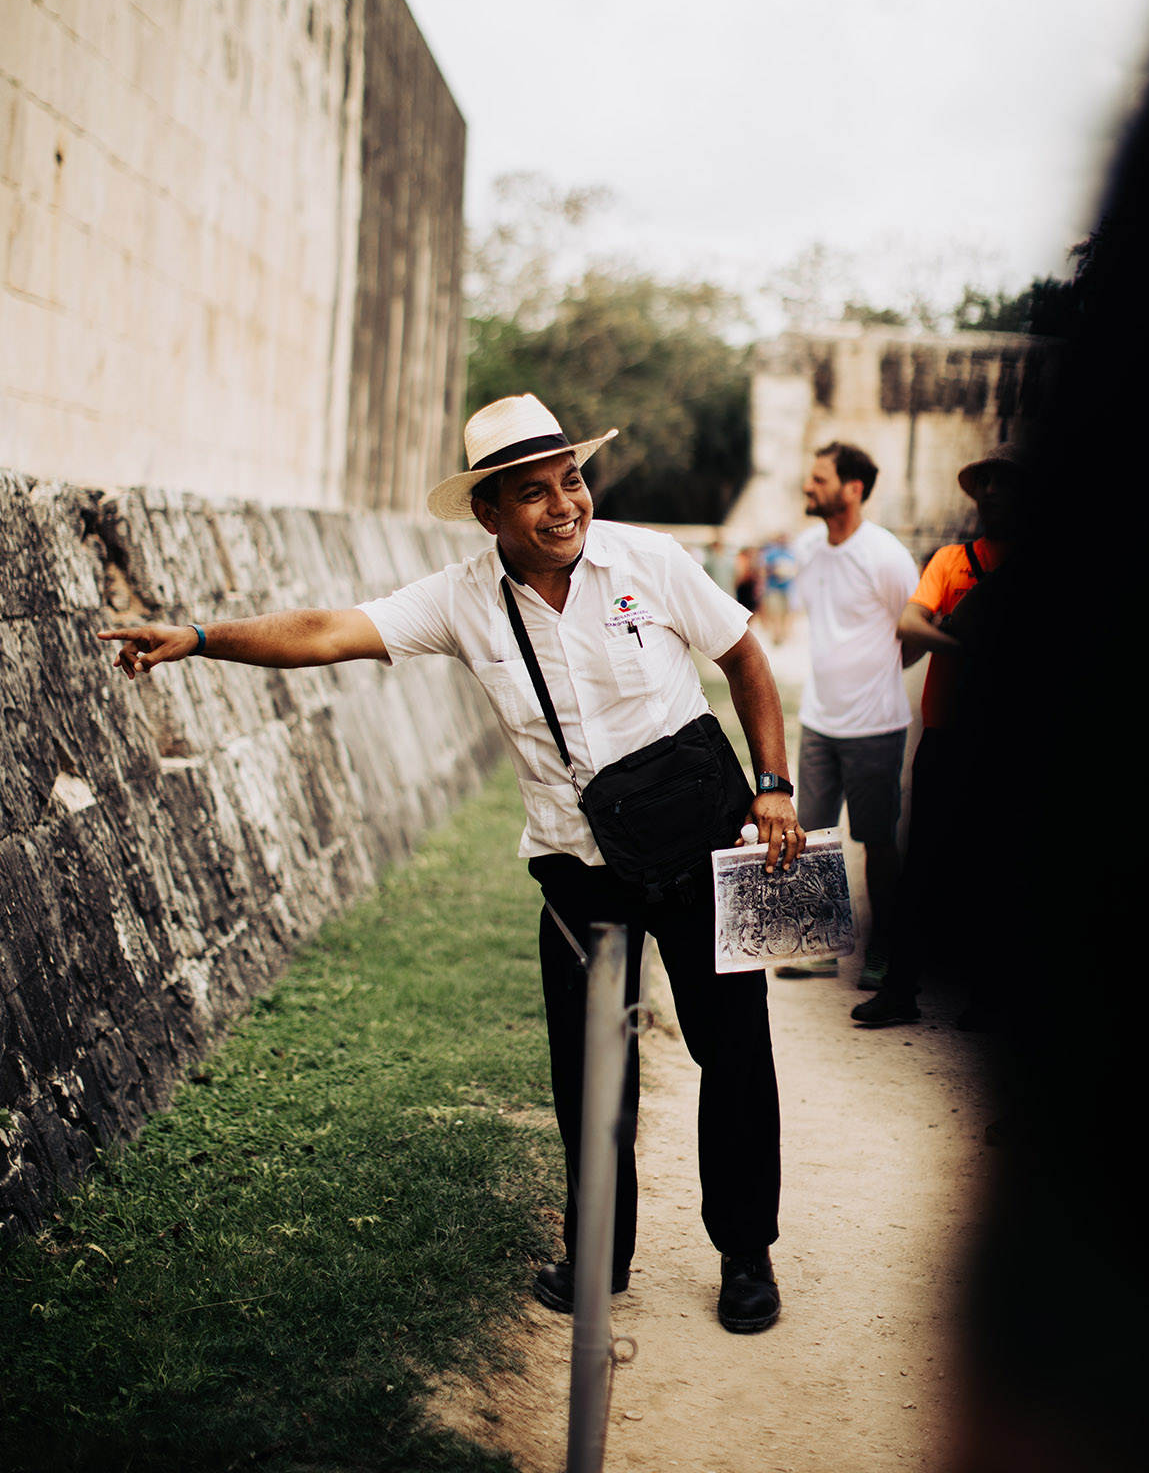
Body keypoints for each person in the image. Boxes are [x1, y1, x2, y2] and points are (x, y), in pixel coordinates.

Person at [99, 394, 803, 1335]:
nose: (564, 506)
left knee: (737, 1050)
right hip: (579, 871)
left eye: (572, 480)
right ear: (489, 513)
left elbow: (744, 658)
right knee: (594, 1074)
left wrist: (774, 786)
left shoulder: (651, 561)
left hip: (706, 838)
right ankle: (600, 1259)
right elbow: (322, 633)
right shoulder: (461, 600)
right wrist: (196, 638)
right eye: (533, 493)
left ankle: (745, 1255)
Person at [850, 442, 1022, 1028]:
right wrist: (970, 640)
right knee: (924, 864)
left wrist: (949, 627)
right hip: (946, 740)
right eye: (987, 482)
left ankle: (990, 1000)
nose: (993, 492)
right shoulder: (953, 559)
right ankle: (901, 990)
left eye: (1007, 481)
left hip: (1010, 749)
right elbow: (908, 622)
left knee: (998, 871)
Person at [776, 442, 919, 989]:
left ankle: (884, 950)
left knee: (877, 841)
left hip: (875, 726)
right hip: (819, 720)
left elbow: (914, 632)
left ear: (852, 489)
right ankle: (821, 947)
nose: (808, 487)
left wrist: (878, 678)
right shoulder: (810, 547)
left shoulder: (884, 555)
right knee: (810, 835)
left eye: (819, 479)